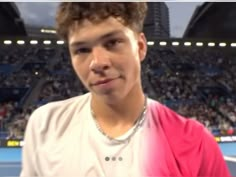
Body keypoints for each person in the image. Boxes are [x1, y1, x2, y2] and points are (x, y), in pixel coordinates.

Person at [20, 2, 231, 177]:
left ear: (140, 47)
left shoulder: (195, 142)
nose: (97, 62)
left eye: (113, 42)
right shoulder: (45, 125)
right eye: (82, 50)